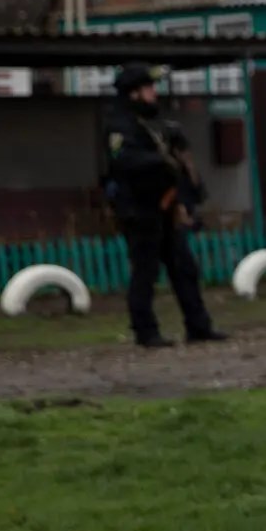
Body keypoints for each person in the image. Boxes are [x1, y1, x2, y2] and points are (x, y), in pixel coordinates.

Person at [103, 63, 226, 349]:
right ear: (134, 94)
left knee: (184, 267)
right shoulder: (120, 124)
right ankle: (145, 332)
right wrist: (162, 161)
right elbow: (124, 161)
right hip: (139, 208)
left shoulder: (155, 123)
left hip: (166, 207)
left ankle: (198, 326)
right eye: (148, 89)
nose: (153, 93)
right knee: (145, 271)